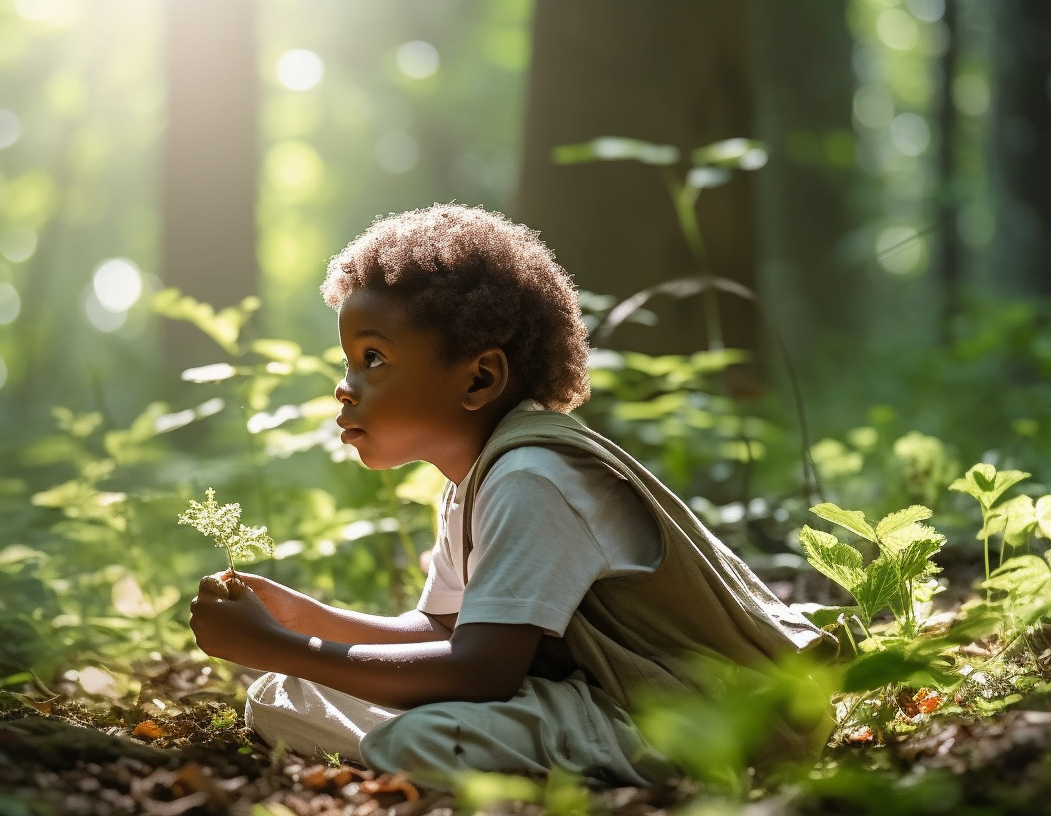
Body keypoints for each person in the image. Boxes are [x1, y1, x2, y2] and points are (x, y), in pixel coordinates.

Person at [187, 203, 832, 784]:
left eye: (374, 358)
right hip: (595, 698)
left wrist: (279, 646)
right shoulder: (476, 480)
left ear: (480, 377)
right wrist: (300, 621)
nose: (345, 386)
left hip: (695, 712)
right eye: (349, 361)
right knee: (282, 694)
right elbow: (440, 627)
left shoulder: (532, 478)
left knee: (420, 739)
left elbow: (479, 672)